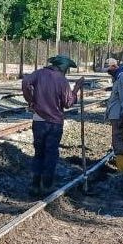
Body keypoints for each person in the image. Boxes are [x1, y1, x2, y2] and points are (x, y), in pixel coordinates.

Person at [22, 55, 80, 193]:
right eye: (67, 69)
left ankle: (35, 185)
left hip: (38, 120)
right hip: (54, 123)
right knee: (51, 153)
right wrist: (76, 88)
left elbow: (25, 82)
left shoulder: (38, 73)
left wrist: (30, 100)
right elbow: (68, 103)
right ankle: (47, 185)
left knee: (38, 153)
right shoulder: (61, 80)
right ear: (63, 68)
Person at [104, 57, 123, 172]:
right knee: (122, 139)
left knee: (118, 141)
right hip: (116, 115)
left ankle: (122, 171)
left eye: (108, 69)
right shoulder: (118, 77)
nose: (108, 72)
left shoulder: (122, 77)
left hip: (119, 115)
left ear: (114, 66)